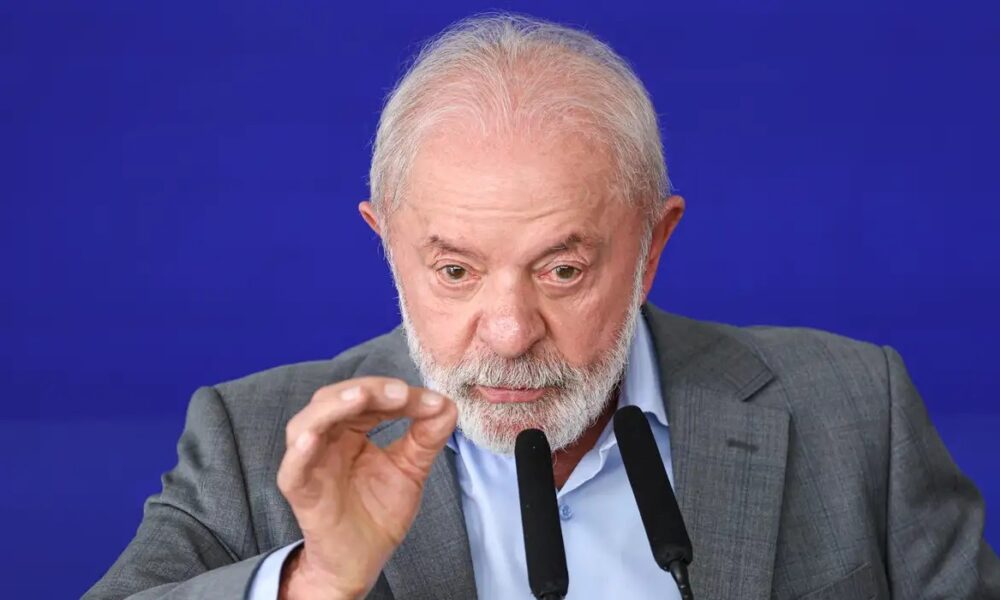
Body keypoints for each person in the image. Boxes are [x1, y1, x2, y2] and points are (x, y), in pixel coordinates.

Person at [84, 13, 999, 600]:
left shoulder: (855, 409)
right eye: (454, 271)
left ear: (653, 246)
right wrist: (316, 582)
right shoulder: (254, 441)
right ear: (386, 244)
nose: (511, 332)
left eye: (562, 270)